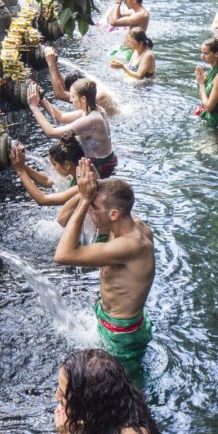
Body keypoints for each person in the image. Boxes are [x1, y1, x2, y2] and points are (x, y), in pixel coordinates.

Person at [54, 159, 154, 372]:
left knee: (121, 393)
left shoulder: (131, 244)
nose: (90, 212)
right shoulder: (120, 224)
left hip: (121, 337)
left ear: (114, 214)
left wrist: (83, 199)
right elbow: (62, 219)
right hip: (110, 322)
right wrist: (92, 186)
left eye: (94, 208)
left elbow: (63, 255)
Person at [27, 78, 118, 178]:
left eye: (73, 97)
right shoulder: (90, 110)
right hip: (104, 159)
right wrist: (41, 98)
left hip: (102, 166)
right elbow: (60, 116)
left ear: (83, 99)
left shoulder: (91, 120)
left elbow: (51, 132)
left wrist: (33, 107)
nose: (70, 99)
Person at [9, 133, 83, 224]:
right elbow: (47, 181)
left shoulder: (83, 184)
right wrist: (21, 165)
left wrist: (20, 171)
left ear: (67, 165)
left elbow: (42, 200)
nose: (52, 168)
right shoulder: (77, 171)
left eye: (54, 164)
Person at [43, 48, 120, 116]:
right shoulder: (90, 88)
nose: (71, 99)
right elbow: (64, 90)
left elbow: (60, 94)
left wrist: (51, 64)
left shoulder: (98, 96)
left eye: (73, 96)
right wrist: (54, 61)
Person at [194, 37, 218, 127]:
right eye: (202, 53)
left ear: (217, 54)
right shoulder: (214, 68)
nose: (202, 56)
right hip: (209, 118)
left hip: (214, 122)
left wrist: (201, 84)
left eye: (206, 53)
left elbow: (209, 107)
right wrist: (204, 80)